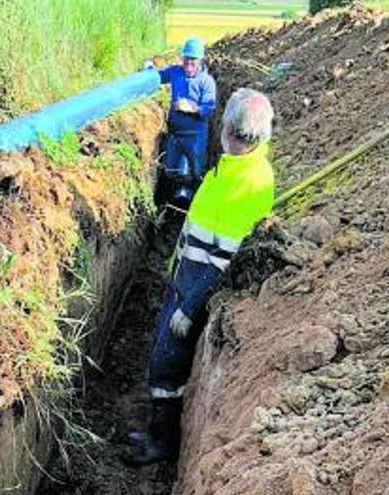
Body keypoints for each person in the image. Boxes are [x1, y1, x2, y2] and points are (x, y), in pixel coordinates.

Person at [128, 88, 276, 466]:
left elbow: (223, 259)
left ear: (226, 127)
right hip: (183, 277)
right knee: (162, 357)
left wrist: (190, 308)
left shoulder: (251, 181)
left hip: (193, 290)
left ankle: (163, 445)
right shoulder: (234, 167)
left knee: (166, 363)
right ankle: (156, 433)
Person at [157, 38, 217, 207]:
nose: (189, 63)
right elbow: (159, 76)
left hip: (195, 135)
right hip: (175, 134)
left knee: (197, 172)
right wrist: (149, 72)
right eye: (186, 58)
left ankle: (194, 207)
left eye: (193, 59)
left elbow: (209, 109)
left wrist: (191, 108)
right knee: (170, 171)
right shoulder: (175, 72)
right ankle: (168, 207)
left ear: (200, 60)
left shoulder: (207, 82)